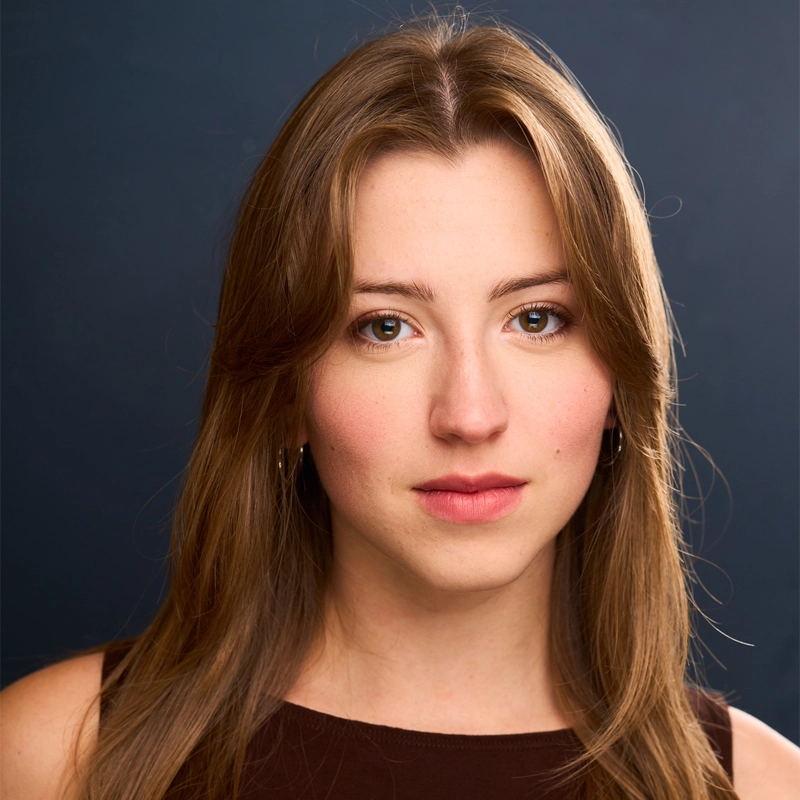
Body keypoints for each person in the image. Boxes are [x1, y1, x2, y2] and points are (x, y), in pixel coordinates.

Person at [2, 11, 798, 800]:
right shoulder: (51, 756)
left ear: (624, 375)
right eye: (385, 327)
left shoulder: (764, 787)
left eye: (537, 319)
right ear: (284, 389)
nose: (470, 413)